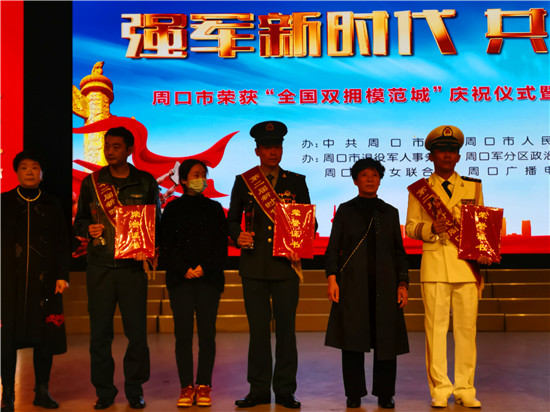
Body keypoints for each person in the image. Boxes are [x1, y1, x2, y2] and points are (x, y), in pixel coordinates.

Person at [228, 121, 314, 409]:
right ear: (257, 150)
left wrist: (301, 239)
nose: (273, 151)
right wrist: (237, 236)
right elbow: (232, 220)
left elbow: (310, 222)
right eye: (267, 147)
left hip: (286, 268)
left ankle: (286, 391)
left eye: (277, 146)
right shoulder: (245, 181)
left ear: (282, 148)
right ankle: (258, 390)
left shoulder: (297, 182)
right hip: (254, 266)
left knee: (287, 332)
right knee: (259, 332)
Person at [74, 127, 161, 410]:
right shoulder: (92, 182)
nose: (110, 151)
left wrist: (148, 249)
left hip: (132, 268)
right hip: (100, 266)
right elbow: (79, 221)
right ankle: (104, 391)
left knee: (137, 333)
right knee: (100, 333)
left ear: (129, 149)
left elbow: (156, 223)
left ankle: (135, 389)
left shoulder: (145, 182)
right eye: (107, 146)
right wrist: (88, 229)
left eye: (116, 147)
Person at [406, 125, 492, 409]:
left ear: (458, 156)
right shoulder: (421, 190)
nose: (447, 155)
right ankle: (440, 388)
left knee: (467, 330)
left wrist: (484, 250)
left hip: (465, 266)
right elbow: (410, 227)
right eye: (441, 150)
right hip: (435, 265)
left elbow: (480, 226)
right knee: (436, 330)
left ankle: (466, 388)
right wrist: (431, 228)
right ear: (431, 156)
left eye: (452, 151)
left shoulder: (473, 187)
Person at [324, 158, 409, 409]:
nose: (370, 179)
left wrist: (402, 283)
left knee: (387, 341)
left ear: (380, 180)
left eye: (375, 175)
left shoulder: (390, 212)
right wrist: (332, 278)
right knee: (352, 341)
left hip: (385, 286)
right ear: (355, 181)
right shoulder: (345, 210)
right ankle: (354, 394)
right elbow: (333, 248)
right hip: (352, 286)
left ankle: (386, 394)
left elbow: (399, 252)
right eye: (364, 175)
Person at [1, 151, 70, 411]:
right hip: (9, 283)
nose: (29, 172)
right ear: (16, 172)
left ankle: (42, 391)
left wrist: (62, 275)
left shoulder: (52, 203)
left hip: (45, 281)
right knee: (6, 340)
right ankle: (7, 393)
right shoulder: (4, 202)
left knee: (45, 339)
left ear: (42, 173)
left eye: (34, 167)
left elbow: (62, 242)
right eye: (24, 167)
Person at [159, 159, 228, 408]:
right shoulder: (172, 209)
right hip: (181, 281)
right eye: (196, 175)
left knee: (207, 335)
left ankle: (204, 384)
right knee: (183, 336)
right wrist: (183, 269)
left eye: (203, 174)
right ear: (184, 180)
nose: (201, 179)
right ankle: (186, 386)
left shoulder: (215, 208)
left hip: (209, 280)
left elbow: (221, 246)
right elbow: (166, 245)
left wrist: (204, 268)